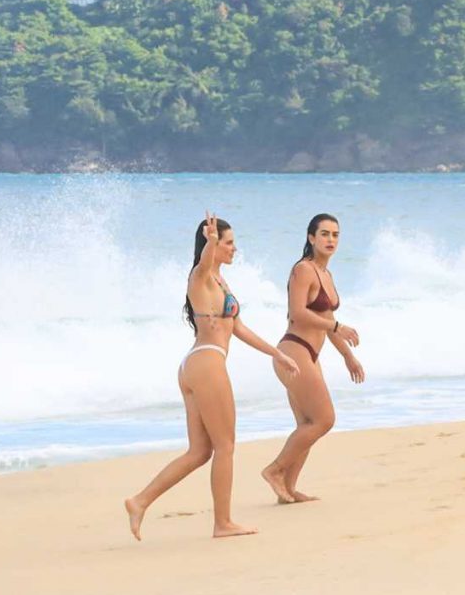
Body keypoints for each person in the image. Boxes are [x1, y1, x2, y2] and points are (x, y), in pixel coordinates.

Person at [125, 212, 300, 539]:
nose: (234, 249)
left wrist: (277, 353)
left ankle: (140, 501)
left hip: (196, 364)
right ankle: (223, 523)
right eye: (228, 243)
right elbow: (205, 263)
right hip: (207, 362)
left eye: (233, 242)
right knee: (226, 446)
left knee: (200, 452)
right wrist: (210, 242)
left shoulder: (221, 282)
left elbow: (239, 329)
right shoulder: (201, 275)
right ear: (213, 244)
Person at [261, 213, 363, 504]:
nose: (331, 239)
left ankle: (288, 489)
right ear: (311, 238)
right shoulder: (303, 269)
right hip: (293, 351)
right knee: (324, 419)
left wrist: (348, 356)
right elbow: (298, 313)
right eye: (325, 234)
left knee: (307, 423)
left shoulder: (326, 274)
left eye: (335, 235)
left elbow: (326, 319)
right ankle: (274, 470)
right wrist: (337, 326)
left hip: (310, 354)